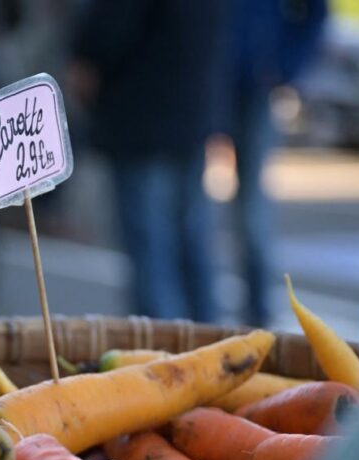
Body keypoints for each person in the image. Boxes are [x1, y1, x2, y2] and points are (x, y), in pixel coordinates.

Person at [69, 0, 227, 322]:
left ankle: (167, 358)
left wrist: (86, 57)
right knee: (189, 245)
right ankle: (212, 352)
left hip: (144, 117)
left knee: (154, 254)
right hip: (189, 114)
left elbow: (107, 31)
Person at [224, 0, 328, 327]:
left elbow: (315, 15)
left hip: (253, 86)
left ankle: (258, 315)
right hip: (203, 79)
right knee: (188, 213)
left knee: (252, 213)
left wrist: (284, 65)